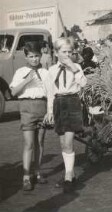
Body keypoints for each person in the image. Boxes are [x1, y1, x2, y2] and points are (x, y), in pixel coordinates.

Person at [45, 37, 87, 193]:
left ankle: (68, 176)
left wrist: (74, 68)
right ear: (56, 53)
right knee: (63, 143)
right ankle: (72, 174)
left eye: (70, 52)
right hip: (58, 104)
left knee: (68, 142)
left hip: (72, 103)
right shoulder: (51, 70)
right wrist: (49, 111)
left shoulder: (76, 66)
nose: (67, 55)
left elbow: (83, 84)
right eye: (64, 52)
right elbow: (50, 92)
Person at [9, 41, 49, 191]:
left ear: (41, 55)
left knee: (40, 142)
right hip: (26, 107)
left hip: (42, 107)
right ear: (26, 57)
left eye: (37, 56)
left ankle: (37, 172)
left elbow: (50, 92)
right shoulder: (20, 72)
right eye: (31, 56)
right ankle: (26, 176)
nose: (34, 59)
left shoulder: (46, 72)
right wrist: (27, 80)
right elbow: (13, 92)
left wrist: (49, 111)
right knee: (28, 143)